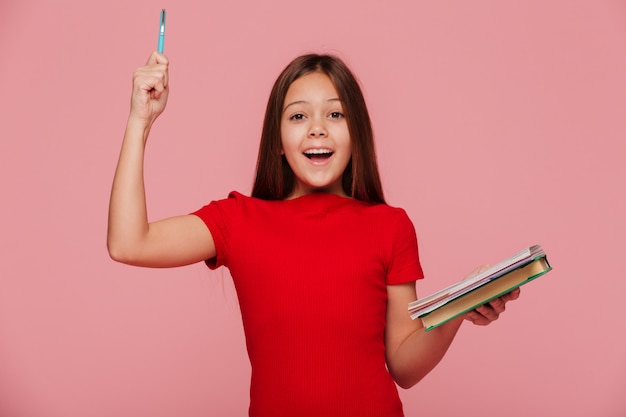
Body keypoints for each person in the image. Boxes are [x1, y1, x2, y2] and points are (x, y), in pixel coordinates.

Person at [107, 51, 520, 417]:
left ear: (357, 133)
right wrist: (139, 121)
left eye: (335, 114)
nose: (317, 128)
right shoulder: (237, 220)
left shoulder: (390, 226)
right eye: (299, 115)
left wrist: (458, 308)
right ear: (278, 143)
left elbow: (404, 366)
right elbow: (129, 243)